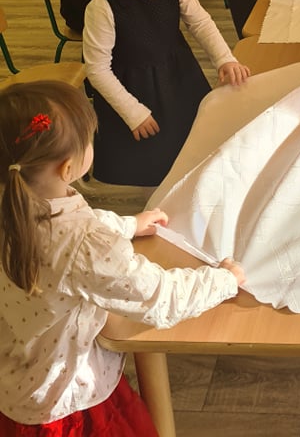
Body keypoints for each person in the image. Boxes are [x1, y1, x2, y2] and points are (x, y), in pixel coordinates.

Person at [0, 80, 244, 435]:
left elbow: (73, 226)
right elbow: (158, 297)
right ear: (68, 168)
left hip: (18, 383)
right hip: (67, 403)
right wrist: (223, 280)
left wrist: (128, 224)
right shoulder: (84, 244)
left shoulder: (15, 201)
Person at [83, 0, 250, 187]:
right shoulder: (103, 5)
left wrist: (224, 58)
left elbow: (200, 22)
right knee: (153, 168)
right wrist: (133, 112)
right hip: (136, 93)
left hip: (179, 79)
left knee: (190, 150)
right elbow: (97, 69)